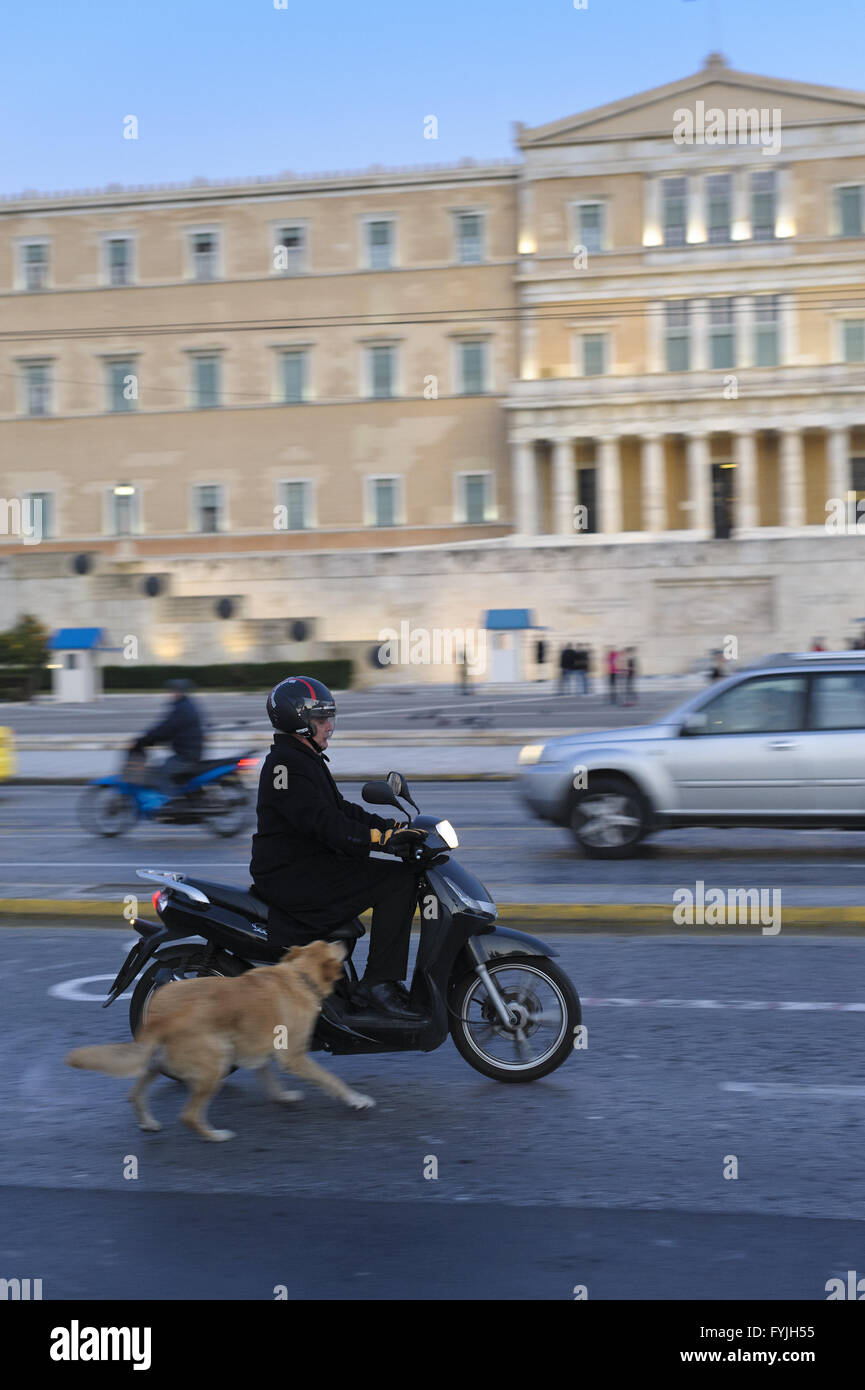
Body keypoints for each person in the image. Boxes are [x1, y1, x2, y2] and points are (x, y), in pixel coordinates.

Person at [249, 676, 425, 1022]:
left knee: (390, 879)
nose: (329, 726)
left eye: (330, 717)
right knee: (399, 883)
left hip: (308, 869)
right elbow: (323, 824)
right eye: (320, 719)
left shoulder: (303, 757)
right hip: (293, 876)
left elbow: (340, 810)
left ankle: (350, 986)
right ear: (298, 721)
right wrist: (380, 841)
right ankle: (379, 984)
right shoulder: (285, 765)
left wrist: (392, 827)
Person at [129, 679, 204, 796]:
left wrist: (143, 740)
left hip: (186, 755)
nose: (171, 694)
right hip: (189, 752)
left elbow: (165, 729)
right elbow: (167, 729)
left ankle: (169, 805)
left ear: (180, 692)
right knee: (161, 766)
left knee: (161, 774)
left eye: (173, 691)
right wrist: (149, 739)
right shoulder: (186, 706)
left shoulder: (182, 709)